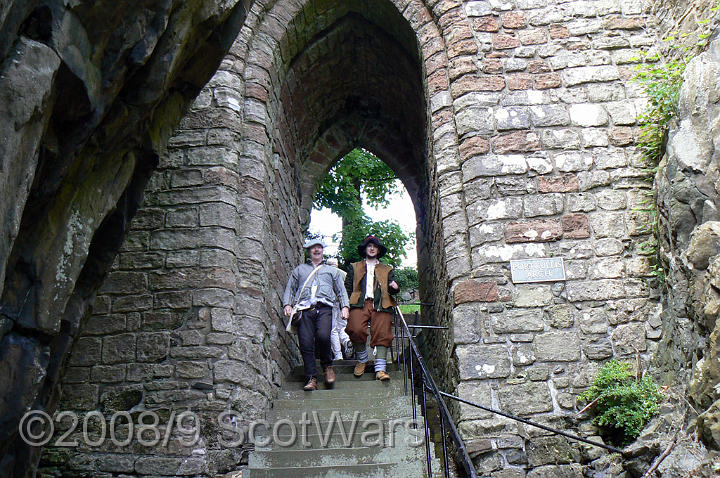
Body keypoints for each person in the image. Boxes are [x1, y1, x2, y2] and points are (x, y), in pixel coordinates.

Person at [283, 239, 350, 391]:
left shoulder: (332, 271)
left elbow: (340, 290)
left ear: (322, 250)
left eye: (319, 247)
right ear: (309, 251)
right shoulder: (299, 270)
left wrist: (345, 307)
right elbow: (290, 288)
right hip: (304, 310)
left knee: (323, 336)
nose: (316, 250)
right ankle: (311, 378)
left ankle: (327, 367)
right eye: (313, 248)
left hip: (324, 308)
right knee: (306, 343)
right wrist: (287, 304)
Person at [345, 235, 400, 381]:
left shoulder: (387, 269)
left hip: (381, 303)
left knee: (383, 332)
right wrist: (345, 306)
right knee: (355, 328)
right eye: (369, 246)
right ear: (365, 249)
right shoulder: (354, 267)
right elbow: (348, 287)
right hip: (359, 303)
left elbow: (392, 287)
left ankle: (380, 369)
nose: (372, 248)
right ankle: (362, 359)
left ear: (378, 250)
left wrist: (395, 287)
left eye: (375, 246)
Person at [326, 258, 354, 361]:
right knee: (342, 326)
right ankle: (346, 340)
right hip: (343, 304)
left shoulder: (326, 274)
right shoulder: (344, 274)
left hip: (330, 303)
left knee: (332, 329)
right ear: (337, 265)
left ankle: (338, 355)